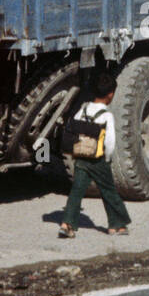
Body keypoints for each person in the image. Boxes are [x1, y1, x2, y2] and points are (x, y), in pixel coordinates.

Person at [58, 71, 131, 238]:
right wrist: (108, 157)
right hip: (97, 159)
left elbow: (75, 126)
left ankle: (67, 224)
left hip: (81, 157)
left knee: (77, 191)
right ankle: (117, 225)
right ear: (110, 94)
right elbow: (110, 141)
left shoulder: (83, 109)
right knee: (108, 191)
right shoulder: (106, 115)